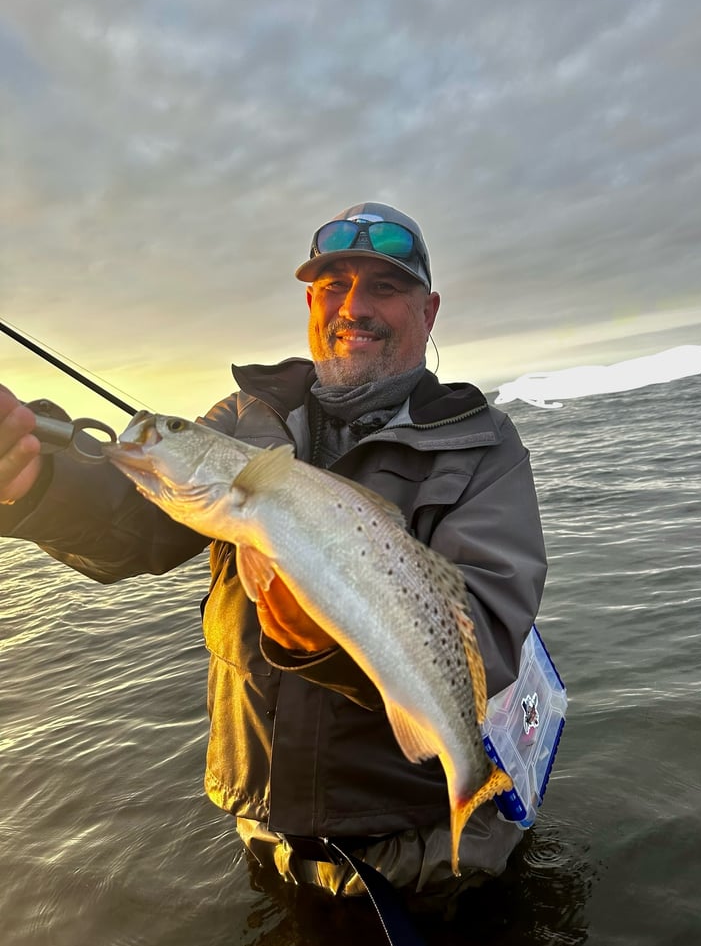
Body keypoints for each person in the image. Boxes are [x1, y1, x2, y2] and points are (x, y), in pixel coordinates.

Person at [0, 202, 547, 899]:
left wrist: (320, 645)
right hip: (268, 836)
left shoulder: (482, 445)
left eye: (384, 287)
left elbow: (492, 639)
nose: (355, 307)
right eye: (333, 286)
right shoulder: (241, 419)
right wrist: (32, 483)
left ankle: (471, 787)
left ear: (429, 311)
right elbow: (129, 525)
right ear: (311, 304)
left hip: (427, 851)